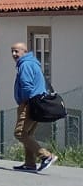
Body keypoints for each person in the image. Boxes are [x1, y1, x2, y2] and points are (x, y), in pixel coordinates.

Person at [11, 42, 58, 172]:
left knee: (20, 133)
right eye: (12, 51)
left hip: (30, 103)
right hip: (36, 103)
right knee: (28, 134)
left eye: (17, 51)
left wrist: (25, 102)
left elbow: (26, 86)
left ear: (24, 52)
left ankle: (46, 156)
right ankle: (30, 163)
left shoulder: (25, 65)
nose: (14, 54)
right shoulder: (32, 63)